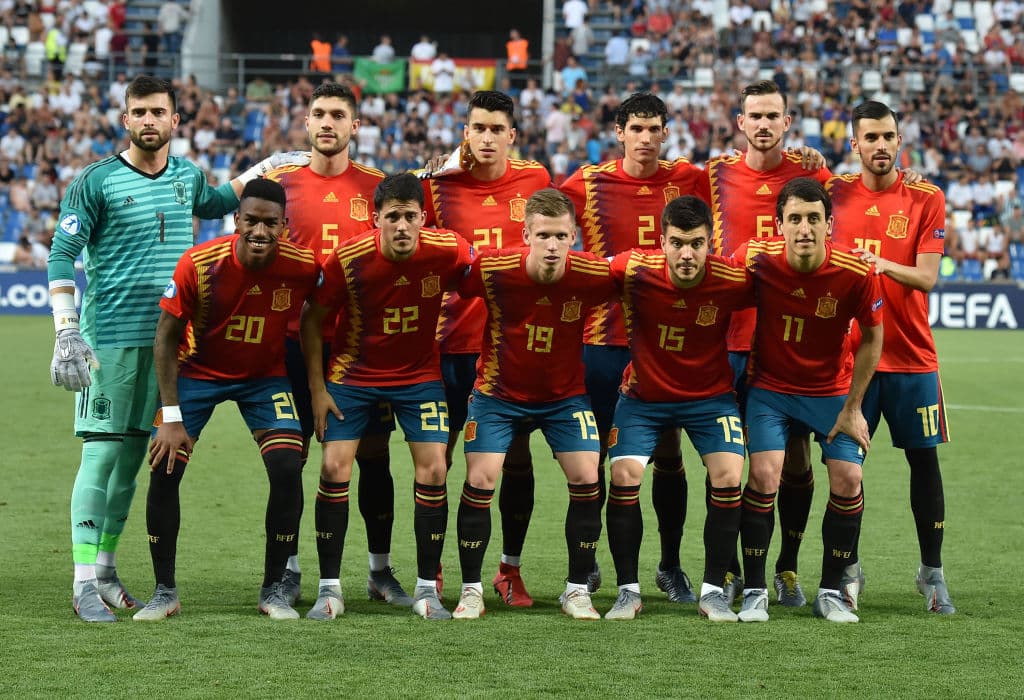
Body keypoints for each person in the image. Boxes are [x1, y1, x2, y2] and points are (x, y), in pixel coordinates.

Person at [47, 75, 308, 622]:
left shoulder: (186, 176)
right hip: (110, 343)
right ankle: (80, 583)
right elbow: (60, 255)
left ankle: (107, 571)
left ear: (174, 120)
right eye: (138, 111)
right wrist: (66, 328)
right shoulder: (94, 181)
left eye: (157, 112)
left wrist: (269, 165)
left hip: (169, 345)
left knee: (129, 468)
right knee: (100, 456)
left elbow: (220, 201)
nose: (148, 120)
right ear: (125, 119)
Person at [134, 179, 319, 622]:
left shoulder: (304, 266)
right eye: (251, 220)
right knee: (165, 463)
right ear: (236, 220)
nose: (259, 230)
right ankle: (164, 592)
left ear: (284, 226)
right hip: (197, 374)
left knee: (287, 467)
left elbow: (319, 314)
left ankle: (274, 589)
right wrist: (172, 416)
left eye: (270, 223)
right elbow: (165, 339)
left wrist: (316, 388)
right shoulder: (199, 264)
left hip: (265, 379)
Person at [300, 172, 473, 621]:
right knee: (334, 466)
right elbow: (312, 319)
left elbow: (486, 284)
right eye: (392, 216)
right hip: (354, 376)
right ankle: (329, 589)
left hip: (419, 377)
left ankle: (425, 589)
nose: (401, 226)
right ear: (375, 218)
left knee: (435, 468)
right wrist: (318, 390)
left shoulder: (448, 249)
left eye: (409, 217)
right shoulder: (348, 258)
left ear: (423, 218)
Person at [560, 91, 710, 604]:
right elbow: (537, 210)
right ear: (619, 132)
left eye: (654, 129)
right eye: (636, 129)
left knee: (670, 456)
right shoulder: (586, 182)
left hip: (668, 342)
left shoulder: (690, 179)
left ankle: (670, 565)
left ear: (666, 133)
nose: (645, 138)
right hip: (603, 340)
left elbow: (751, 182)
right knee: (599, 459)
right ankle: (594, 560)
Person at [264, 82, 405, 609]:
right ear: (306, 123)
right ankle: (289, 571)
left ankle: (380, 570)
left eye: (338, 115)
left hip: (361, 350)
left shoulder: (377, 188)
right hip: (289, 346)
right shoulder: (279, 186)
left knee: (372, 457)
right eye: (319, 114)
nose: (327, 123)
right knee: (293, 458)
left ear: (356, 126)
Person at [450, 188, 613, 621]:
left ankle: (577, 590)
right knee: (481, 478)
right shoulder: (492, 268)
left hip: (564, 397)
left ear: (575, 235)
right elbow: (446, 282)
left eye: (562, 235)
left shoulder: (593, 274)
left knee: (586, 473)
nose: (553, 245)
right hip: (498, 396)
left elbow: (642, 285)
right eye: (543, 235)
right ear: (526, 234)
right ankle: (471, 590)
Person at [419, 90, 551, 607]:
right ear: (465, 132)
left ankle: (509, 570)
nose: (488, 137)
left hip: (513, 348)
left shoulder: (536, 181)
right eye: (479, 128)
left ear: (512, 135)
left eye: (498, 128)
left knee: (516, 460)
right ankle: (435, 572)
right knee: (439, 461)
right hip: (450, 345)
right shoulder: (438, 188)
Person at [704, 80, 831, 605]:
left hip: (788, 341)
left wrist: (908, 170)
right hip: (729, 341)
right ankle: (730, 568)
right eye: (753, 115)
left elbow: (870, 184)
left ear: (786, 121)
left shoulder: (812, 174)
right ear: (740, 122)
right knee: (731, 462)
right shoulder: (710, 174)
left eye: (772, 116)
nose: (762, 124)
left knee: (795, 459)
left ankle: (787, 568)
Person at [736, 177, 883, 624]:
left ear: (828, 225)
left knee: (848, 476)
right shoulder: (755, 260)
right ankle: (756, 589)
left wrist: (854, 407)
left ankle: (831, 591)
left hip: (831, 393)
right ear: (779, 224)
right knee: (764, 473)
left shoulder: (856, 272)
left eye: (813, 219)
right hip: (770, 390)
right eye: (795, 219)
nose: (804, 228)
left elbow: (874, 338)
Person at [828, 100, 955, 614]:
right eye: (871, 137)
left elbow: (926, 277)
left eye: (889, 137)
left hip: (912, 357)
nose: (881, 145)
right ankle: (847, 571)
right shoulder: (831, 192)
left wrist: (880, 263)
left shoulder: (926, 197)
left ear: (899, 141)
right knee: (846, 468)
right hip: (851, 360)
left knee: (923, 462)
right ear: (854, 144)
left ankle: (932, 573)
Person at [604, 196, 751, 622]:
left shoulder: (731, 278)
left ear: (711, 243)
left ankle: (713, 592)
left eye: (697, 243)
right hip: (644, 399)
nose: (687, 254)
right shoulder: (633, 269)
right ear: (661, 241)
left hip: (710, 399)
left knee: (728, 476)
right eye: (677, 243)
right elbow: (578, 272)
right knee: (624, 474)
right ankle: (628, 592)